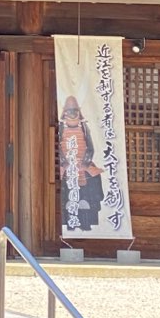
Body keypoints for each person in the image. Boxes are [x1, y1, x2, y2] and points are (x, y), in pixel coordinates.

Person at [57, 94, 103, 233]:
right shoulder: (60, 128)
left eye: (74, 111)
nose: (72, 114)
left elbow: (90, 147)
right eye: (69, 111)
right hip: (66, 166)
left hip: (83, 165)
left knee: (93, 182)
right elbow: (57, 147)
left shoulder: (83, 127)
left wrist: (84, 162)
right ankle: (69, 223)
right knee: (67, 195)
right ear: (64, 112)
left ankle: (86, 222)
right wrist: (65, 162)